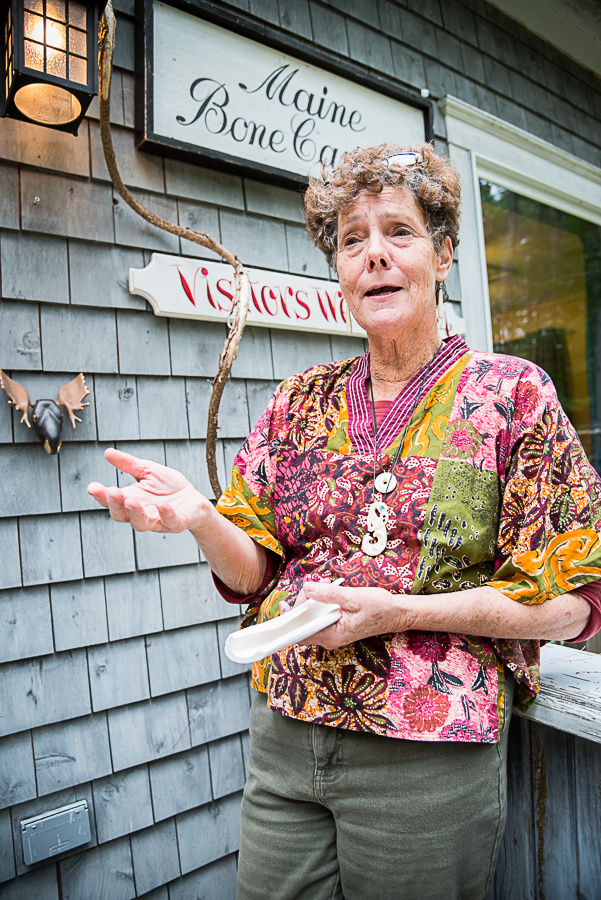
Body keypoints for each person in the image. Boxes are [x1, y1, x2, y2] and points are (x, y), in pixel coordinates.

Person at [89, 143, 601, 900]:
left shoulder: (510, 395)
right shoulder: (296, 402)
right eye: (352, 240)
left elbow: (573, 604)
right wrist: (201, 519)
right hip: (286, 731)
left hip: (427, 750)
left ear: (445, 253)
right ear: (338, 270)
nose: (374, 257)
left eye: (399, 232)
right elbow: (254, 571)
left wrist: (396, 612)